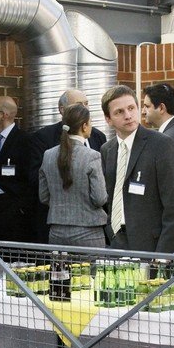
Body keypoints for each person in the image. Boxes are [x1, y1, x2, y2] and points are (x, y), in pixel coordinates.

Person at [100, 85, 174, 348]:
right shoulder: (107, 150)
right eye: (119, 112)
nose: (129, 115)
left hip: (153, 249)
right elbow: (109, 196)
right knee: (132, 325)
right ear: (109, 119)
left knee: (151, 326)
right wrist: (111, 236)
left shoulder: (160, 145)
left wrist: (164, 257)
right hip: (119, 243)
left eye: (132, 108)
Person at [31, 89, 108, 243]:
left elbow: (44, 196)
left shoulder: (48, 154)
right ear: (84, 126)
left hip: (57, 230)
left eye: (87, 104)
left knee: (60, 262)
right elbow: (99, 198)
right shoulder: (92, 156)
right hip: (88, 230)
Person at [0, 96, 35, 242]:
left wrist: (21, 208)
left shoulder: (24, 140)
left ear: (3, 115)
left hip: (13, 212)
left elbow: (31, 178)